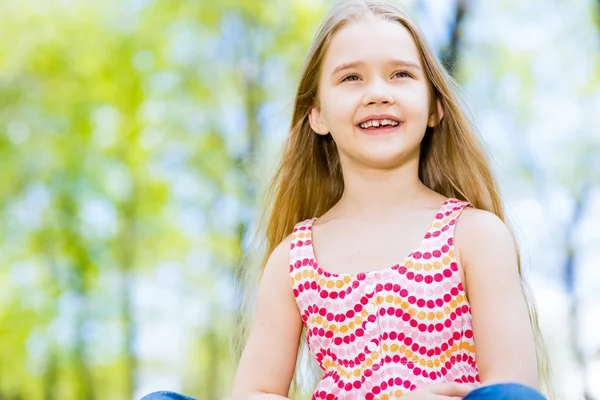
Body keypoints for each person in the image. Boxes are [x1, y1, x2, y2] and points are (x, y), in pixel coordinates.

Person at [143, 0, 551, 399]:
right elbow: (255, 391)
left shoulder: (475, 235)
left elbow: (513, 387)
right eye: (351, 78)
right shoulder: (294, 258)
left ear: (434, 108)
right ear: (316, 114)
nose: (377, 93)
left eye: (400, 75)